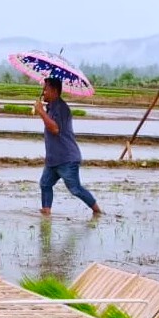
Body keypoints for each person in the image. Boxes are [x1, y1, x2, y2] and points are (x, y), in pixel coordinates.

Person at [36, 77, 101, 216]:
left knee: (75, 189)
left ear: (54, 91)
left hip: (66, 159)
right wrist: (43, 111)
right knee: (45, 184)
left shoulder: (61, 108)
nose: (43, 93)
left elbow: (55, 129)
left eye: (45, 89)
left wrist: (40, 112)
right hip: (53, 159)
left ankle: (97, 211)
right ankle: (46, 213)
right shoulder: (51, 108)